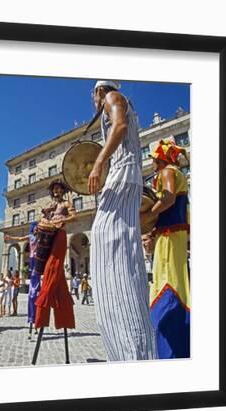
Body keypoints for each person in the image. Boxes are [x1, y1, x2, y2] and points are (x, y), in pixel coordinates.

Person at [88, 80, 157, 361]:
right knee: (117, 244)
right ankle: (127, 344)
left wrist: (98, 163)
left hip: (123, 174)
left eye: (92, 96)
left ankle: (131, 347)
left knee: (106, 237)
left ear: (97, 91)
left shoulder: (113, 97)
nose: (93, 102)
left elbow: (120, 127)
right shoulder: (117, 102)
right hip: (126, 176)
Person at [142, 139, 190, 358]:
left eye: (153, 159)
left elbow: (168, 198)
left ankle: (171, 347)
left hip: (170, 237)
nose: (152, 163)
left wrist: (148, 214)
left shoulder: (167, 172)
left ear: (160, 159)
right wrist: (153, 231)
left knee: (167, 281)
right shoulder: (177, 173)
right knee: (178, 282)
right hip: (174, 235)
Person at [34, 180, 76, 331]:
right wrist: (46, 212)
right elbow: (44, 219)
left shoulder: (66, 204)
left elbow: (74, 216)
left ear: (62, 191)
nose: (57, 191)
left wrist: (62, 219)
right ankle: (63, 316)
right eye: (55, 189)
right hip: (49, 235)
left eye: (59, 189)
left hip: (60, 235)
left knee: (54, 265)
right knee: (52, 270)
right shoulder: (51, 205)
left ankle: (45, 303)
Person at [4, 221, 41, 329]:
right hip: (32, 258)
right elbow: (20, 239)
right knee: (33, 273)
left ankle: (38, 285)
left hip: (38, 257)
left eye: (37, 228)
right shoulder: (30, 236)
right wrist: (11, 237)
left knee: (37, 274)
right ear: (32, 229)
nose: (36, 229)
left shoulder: (40, 236)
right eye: (35, 228)